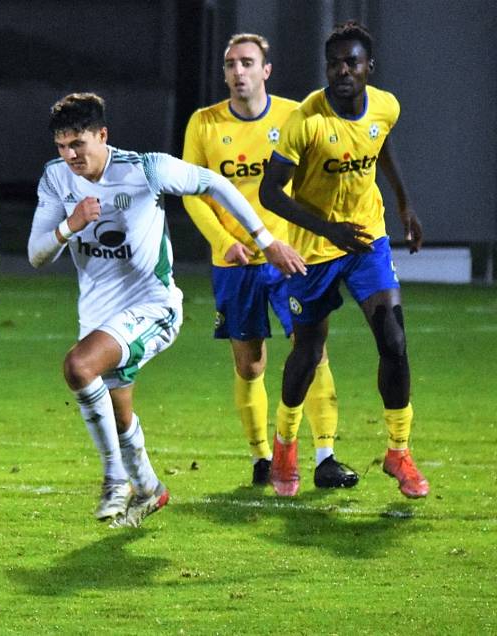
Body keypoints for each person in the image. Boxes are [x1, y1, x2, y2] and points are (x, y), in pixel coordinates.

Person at [28, 92, 305, 527]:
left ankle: (114, 480)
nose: (70, 155)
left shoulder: (145, 169)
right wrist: (70, 225)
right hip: (98, 317)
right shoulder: (55, 178)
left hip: (153, 307)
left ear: (103, 135)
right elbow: (36, 255)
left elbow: (215, 183)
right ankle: (150, 488)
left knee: (79, 367)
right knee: (119, 419)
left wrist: (265, 242)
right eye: (62, 146)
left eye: (78, 143)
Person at [259, 21, 429, 498]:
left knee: (394, 340)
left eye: (351, 62)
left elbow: (381, 144)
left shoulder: (386, 105)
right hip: (316, 250)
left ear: (368, 68)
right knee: (308, 354)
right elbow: (270, 192)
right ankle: (286, 442)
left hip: (367, 241)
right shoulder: (306, 122)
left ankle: (398, 451)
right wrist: (327, 229)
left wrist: (403, 204)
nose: (342, 71)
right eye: (334, 63)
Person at [182, 33, 358, 490]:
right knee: (250, 365)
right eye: (229, 64)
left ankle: (325, 456)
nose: (237, 71)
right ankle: (262, 458)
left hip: (291, 257)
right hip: (234, 263)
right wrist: (222, 241)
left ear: (266, 70)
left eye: (246, 63)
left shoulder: (293, 116)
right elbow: (194, 196)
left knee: (314, 351)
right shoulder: (203, 124)